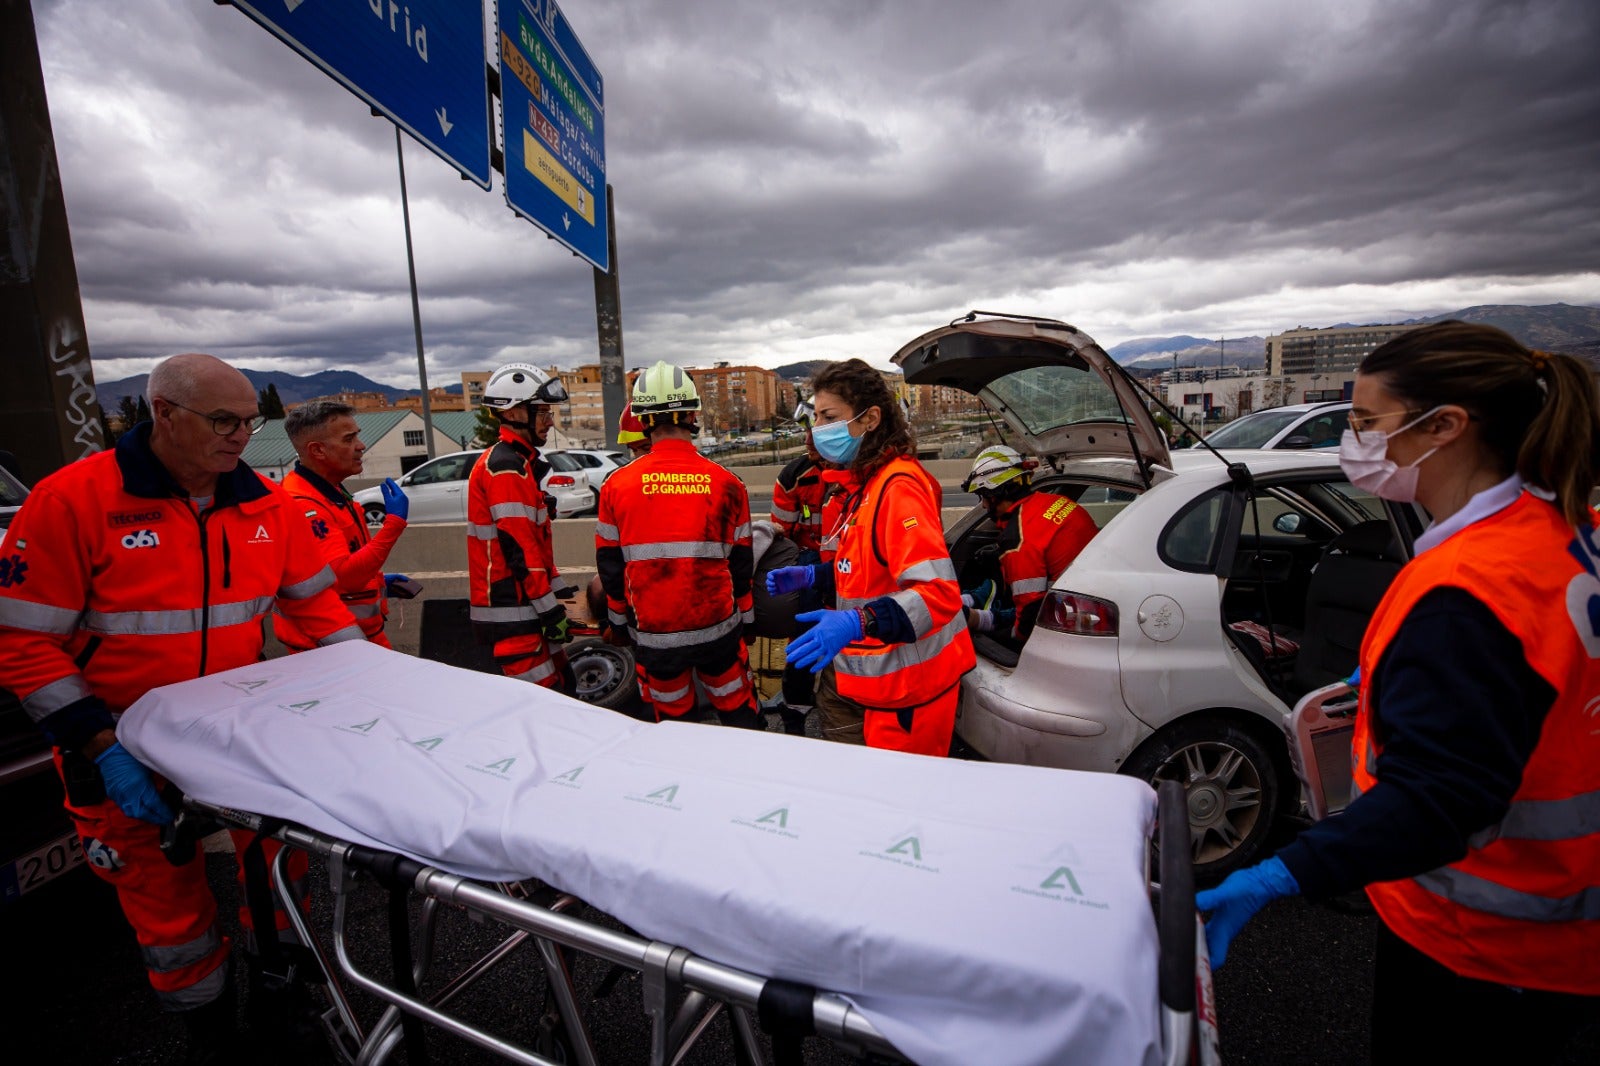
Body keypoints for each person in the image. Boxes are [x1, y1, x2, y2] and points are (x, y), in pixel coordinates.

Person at [1195, 322, 1600, 1063]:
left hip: (1484, 942)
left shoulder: (1467, 588)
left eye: (1365, 423)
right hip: (1560, 925)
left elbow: (1439, 799)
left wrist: (1281, 873)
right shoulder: (1566, 532)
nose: (1353, 442)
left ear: (1445, 427)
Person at [0, 353, 363, 1061]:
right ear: (162, 414)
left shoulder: (262, 503)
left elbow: (314, 602)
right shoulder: (72, 502)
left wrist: (373, 678)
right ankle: (209, 1031)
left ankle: (280, 995)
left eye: (248, 421)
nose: (239, 436)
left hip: (235, 731)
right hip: (119, 741)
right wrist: (101, 747)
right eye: (222, 421)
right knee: (169, 909)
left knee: (280, 867)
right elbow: (21, 644)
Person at [767, 359, 975, 755]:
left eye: (829, 417)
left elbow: (937, 594)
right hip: (885, 687)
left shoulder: (898, 488)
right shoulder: (868, 484)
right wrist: (819, 578)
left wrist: (857, 621)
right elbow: (869, 569)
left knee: (900, 801)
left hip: (912, 690)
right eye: (817, 417)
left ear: (870, 419)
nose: (818, 429)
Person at [596, 361, 762, 728]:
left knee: (674, 725)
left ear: (641, 419)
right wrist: (747, 622)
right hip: (718, 632)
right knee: (739, 714)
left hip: (655, 639)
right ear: (692, 413)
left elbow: (610, 566)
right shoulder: (728, 483)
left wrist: (619, 623)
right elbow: (741, 565)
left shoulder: (616, 486)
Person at [467, 363, 573, 691]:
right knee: (546, 708)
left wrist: (559, 591)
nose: (550, 421)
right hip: (514, 615)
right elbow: (520, 550)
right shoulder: (506, 469)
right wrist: (551, 610)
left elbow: (535, 546)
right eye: (541, 413)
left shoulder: (519, 464)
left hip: (524, 610)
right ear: (513, 412)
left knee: (565, 687)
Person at [274, 400, 411, 650]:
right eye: (349, 440)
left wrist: (378, 582)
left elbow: (335, 566)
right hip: (330, 648)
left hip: (354, 639)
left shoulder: (328, 490)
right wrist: (393, 524)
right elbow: (344, 577)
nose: (361, 446)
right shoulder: (304, 504)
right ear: (317, 451)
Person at [960, 445, 1098, 642]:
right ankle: (972, 601)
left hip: (1068, 617)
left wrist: (1005, 634)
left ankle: (976, 611)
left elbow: (1030, 614)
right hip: (1086, 596)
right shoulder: (1055, 501)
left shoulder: (1017, 539)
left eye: (983, 496)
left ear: (997, 492)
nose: (983, 505)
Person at [769, 400, 833, 735]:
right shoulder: (794, 476)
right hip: (811, 568)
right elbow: (781, 536)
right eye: (806, 432)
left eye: (815, 431)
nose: (807, 440)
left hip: (849, 569)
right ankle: (795, 711)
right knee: (803, 645)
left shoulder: (866, 475)